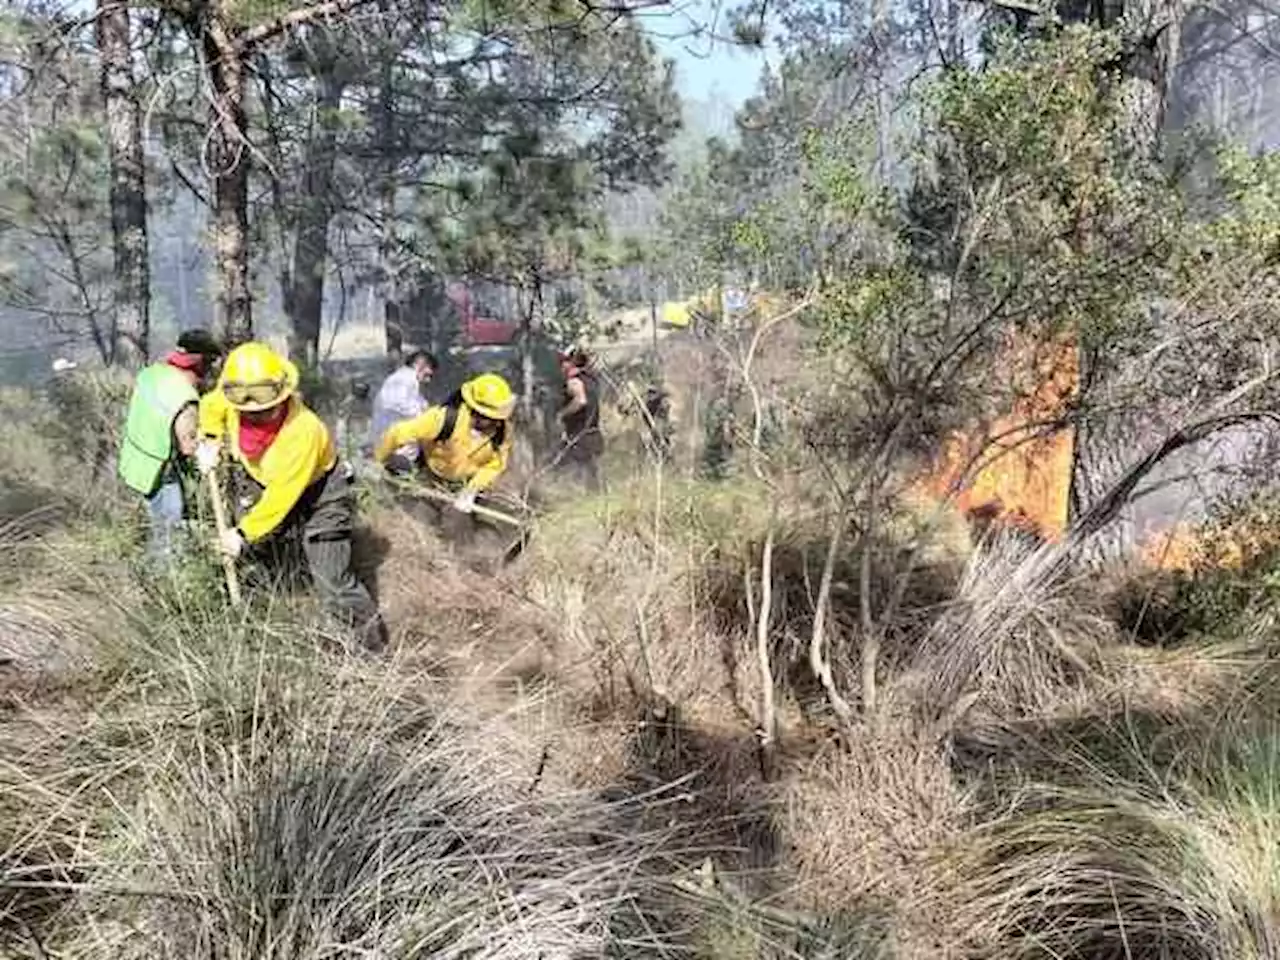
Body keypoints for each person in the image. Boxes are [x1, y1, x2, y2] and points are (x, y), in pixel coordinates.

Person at [195, 341, 386, 651]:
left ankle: (371, 650)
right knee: (260, 561)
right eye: (247, 410)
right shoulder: (233, 396)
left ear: (282, 393)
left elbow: (282, 496)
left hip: (320, 491)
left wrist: (241, 534)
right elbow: (211, 407)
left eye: (265, 409)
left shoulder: (303, 431)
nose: (255, 416)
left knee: (331, 581)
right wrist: (211, 439)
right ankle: (268, 628)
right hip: (263, 482)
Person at [118, 331, 225, 560]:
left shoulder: (151, 374)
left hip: (136, 463)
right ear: (201, 365)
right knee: (169, 539)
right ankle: (165, 585)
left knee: (156, 529)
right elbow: (188, 447)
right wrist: (209, 450)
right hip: (160, 473)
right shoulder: (185, 398)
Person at [373, 371, 514, 515]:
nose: (498, 423)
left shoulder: (501, 432)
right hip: (431, 477)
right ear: (477, 412)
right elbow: (397, 433)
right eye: (492, 418)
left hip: (466, 483)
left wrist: (471, 490)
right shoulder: (443, 418)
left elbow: (494, 466)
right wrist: (377, 462)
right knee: (425, 518)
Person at [368, 349, 437, 474]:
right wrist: (424, 416)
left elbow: (421, 405)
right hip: (394, 451)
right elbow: (395, 403)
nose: (428, 381)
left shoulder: (408, 381)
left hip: (401, 448)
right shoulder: (402, 379)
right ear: (420, 364)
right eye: (428, 375)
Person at [556, 348, 603, 491]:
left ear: (568, 364)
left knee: (574, 481)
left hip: (579, 438)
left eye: (560, 365)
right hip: (594, 435)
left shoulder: (574, 382)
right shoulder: (592, 379)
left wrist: (561, 414)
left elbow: (581, 401)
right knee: (593, 482)